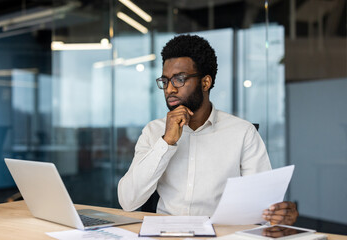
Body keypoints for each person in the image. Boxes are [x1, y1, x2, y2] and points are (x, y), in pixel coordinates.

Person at [118, 34, 298, 225]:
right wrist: (166, 142)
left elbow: (264, 207)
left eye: (179, 79)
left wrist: (279, 214)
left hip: (220, 234)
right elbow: (128, 201)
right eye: (165, 81)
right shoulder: (154, 131)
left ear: (205, 82)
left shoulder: (242, 133)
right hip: (165, 234)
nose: (169, 89)